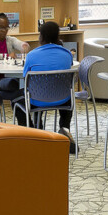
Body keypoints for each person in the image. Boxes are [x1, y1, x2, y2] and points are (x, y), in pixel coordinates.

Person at [19, 20, 77, 150]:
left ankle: (35, 131)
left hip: (36, 100)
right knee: (67, 92)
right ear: (58, 37)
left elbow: (26, 78)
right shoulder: (67, 54)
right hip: (63, 100)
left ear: (41, 37)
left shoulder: (32, 55)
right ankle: (64, 129)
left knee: (18, 102)